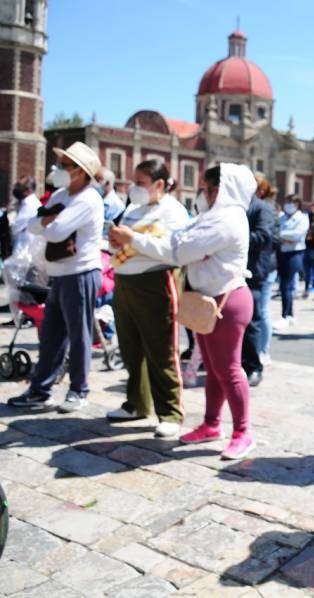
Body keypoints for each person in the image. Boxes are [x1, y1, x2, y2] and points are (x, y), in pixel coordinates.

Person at [109, 163, 257, 460]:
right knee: (213, 370)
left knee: (228, 369)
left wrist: (135, 240)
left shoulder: (226, 219)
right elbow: (177, 241)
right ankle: (212, 424)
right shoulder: (212, 216)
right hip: (205, 301)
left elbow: (178, 251)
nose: (202, 193)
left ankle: (243, 432)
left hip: (226, 302)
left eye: (207, 188)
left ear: (221, 189)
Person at [7, 141, 104, 413]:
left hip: (81, 273)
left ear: (81, 172)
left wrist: (49, 221)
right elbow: (35, 225)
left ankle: (78, 390)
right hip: (59, 274)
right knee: (51, 336)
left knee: (79, 334)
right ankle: (41, 389)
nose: (61, 169)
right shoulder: (62, 194)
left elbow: (53, 230)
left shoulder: (88, 198)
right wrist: (49, 221)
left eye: (67, 165)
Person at [105, 159, 188, 437]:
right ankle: (136, 403)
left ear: (159, 184)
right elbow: (122, 240)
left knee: (161, 349)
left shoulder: (174, 211)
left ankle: (170, 413)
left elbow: (171, 250)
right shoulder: (132, 208)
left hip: (156, 283)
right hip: (125, 281)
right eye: (134, 182)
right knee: (130, 348)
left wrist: (132, 239)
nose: (134, 188)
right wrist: (115, 240)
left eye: (140, 183)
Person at [240, 176, 276, 387]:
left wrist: (233, 236)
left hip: (253, 272)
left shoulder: (262, 208)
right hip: (230, 272)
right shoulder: (230, 207)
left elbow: (264, 237)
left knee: (252, 320)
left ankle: (253, 366)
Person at [273, 195, 308, 330]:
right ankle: (290, 314)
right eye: (287, 202)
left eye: (291, 202)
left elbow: (296, 236)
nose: (288, 205)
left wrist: (282, 236)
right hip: (282, 252)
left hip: (294, 254)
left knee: (286, 285)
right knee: (283, 285)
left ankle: (285, 315)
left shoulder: (302, 218)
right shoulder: (282, 217)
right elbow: (275, 232)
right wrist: (284, 237)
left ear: (297, 204)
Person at [10, 176, 41, 251]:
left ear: (29, 190)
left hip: (25, 250)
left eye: (20, 186)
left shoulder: (30, 204)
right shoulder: (25, 202)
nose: (17, 189)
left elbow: (15, 227)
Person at [302, 204, 314, 300]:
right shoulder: (307, 220)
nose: (310, 211)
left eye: (312, 210)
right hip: (306, 248)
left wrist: (309, 234)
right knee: (306, 271)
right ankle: (306, 289)